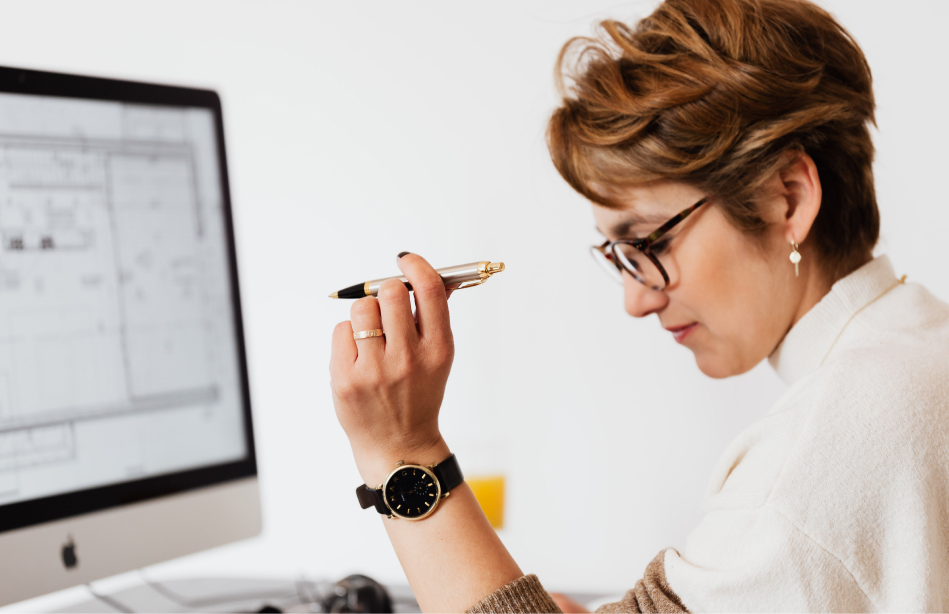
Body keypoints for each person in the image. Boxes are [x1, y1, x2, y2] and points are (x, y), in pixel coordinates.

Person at [328, 0, 949, 611]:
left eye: (648, 242)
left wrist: (403, 450)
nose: (636, 300)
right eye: (618, 255)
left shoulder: (816, 456)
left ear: (785, 198)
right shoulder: (920, 353)